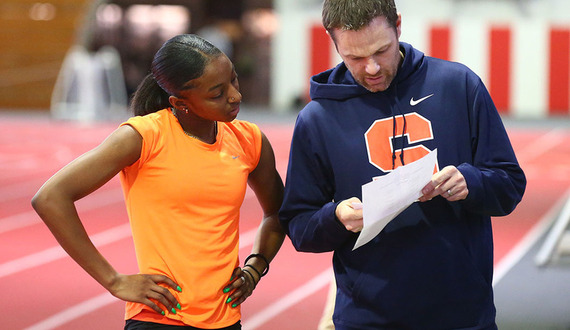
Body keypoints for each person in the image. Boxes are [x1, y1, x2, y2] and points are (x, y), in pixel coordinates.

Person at [279, 0, 527, 329]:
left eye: (381, 51)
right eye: (354, 57)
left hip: (462, 314)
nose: (371, 68)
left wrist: (471, 182)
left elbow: (509, 185)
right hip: (366, 318)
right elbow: (299, 226)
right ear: (332, 40)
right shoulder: (317, 119)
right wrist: (336, 217)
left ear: (398, 26)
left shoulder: (459, 86)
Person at [32, 34, 285, 330]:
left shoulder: (250, 140)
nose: (235, 96)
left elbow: (278, 213)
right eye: (217, 93)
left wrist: (255, 268)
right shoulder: (144, 136)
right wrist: (113, 280)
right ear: (181, 103)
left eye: (234, 80)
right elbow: (50, 197)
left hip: (225, 319)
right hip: (159, 317)